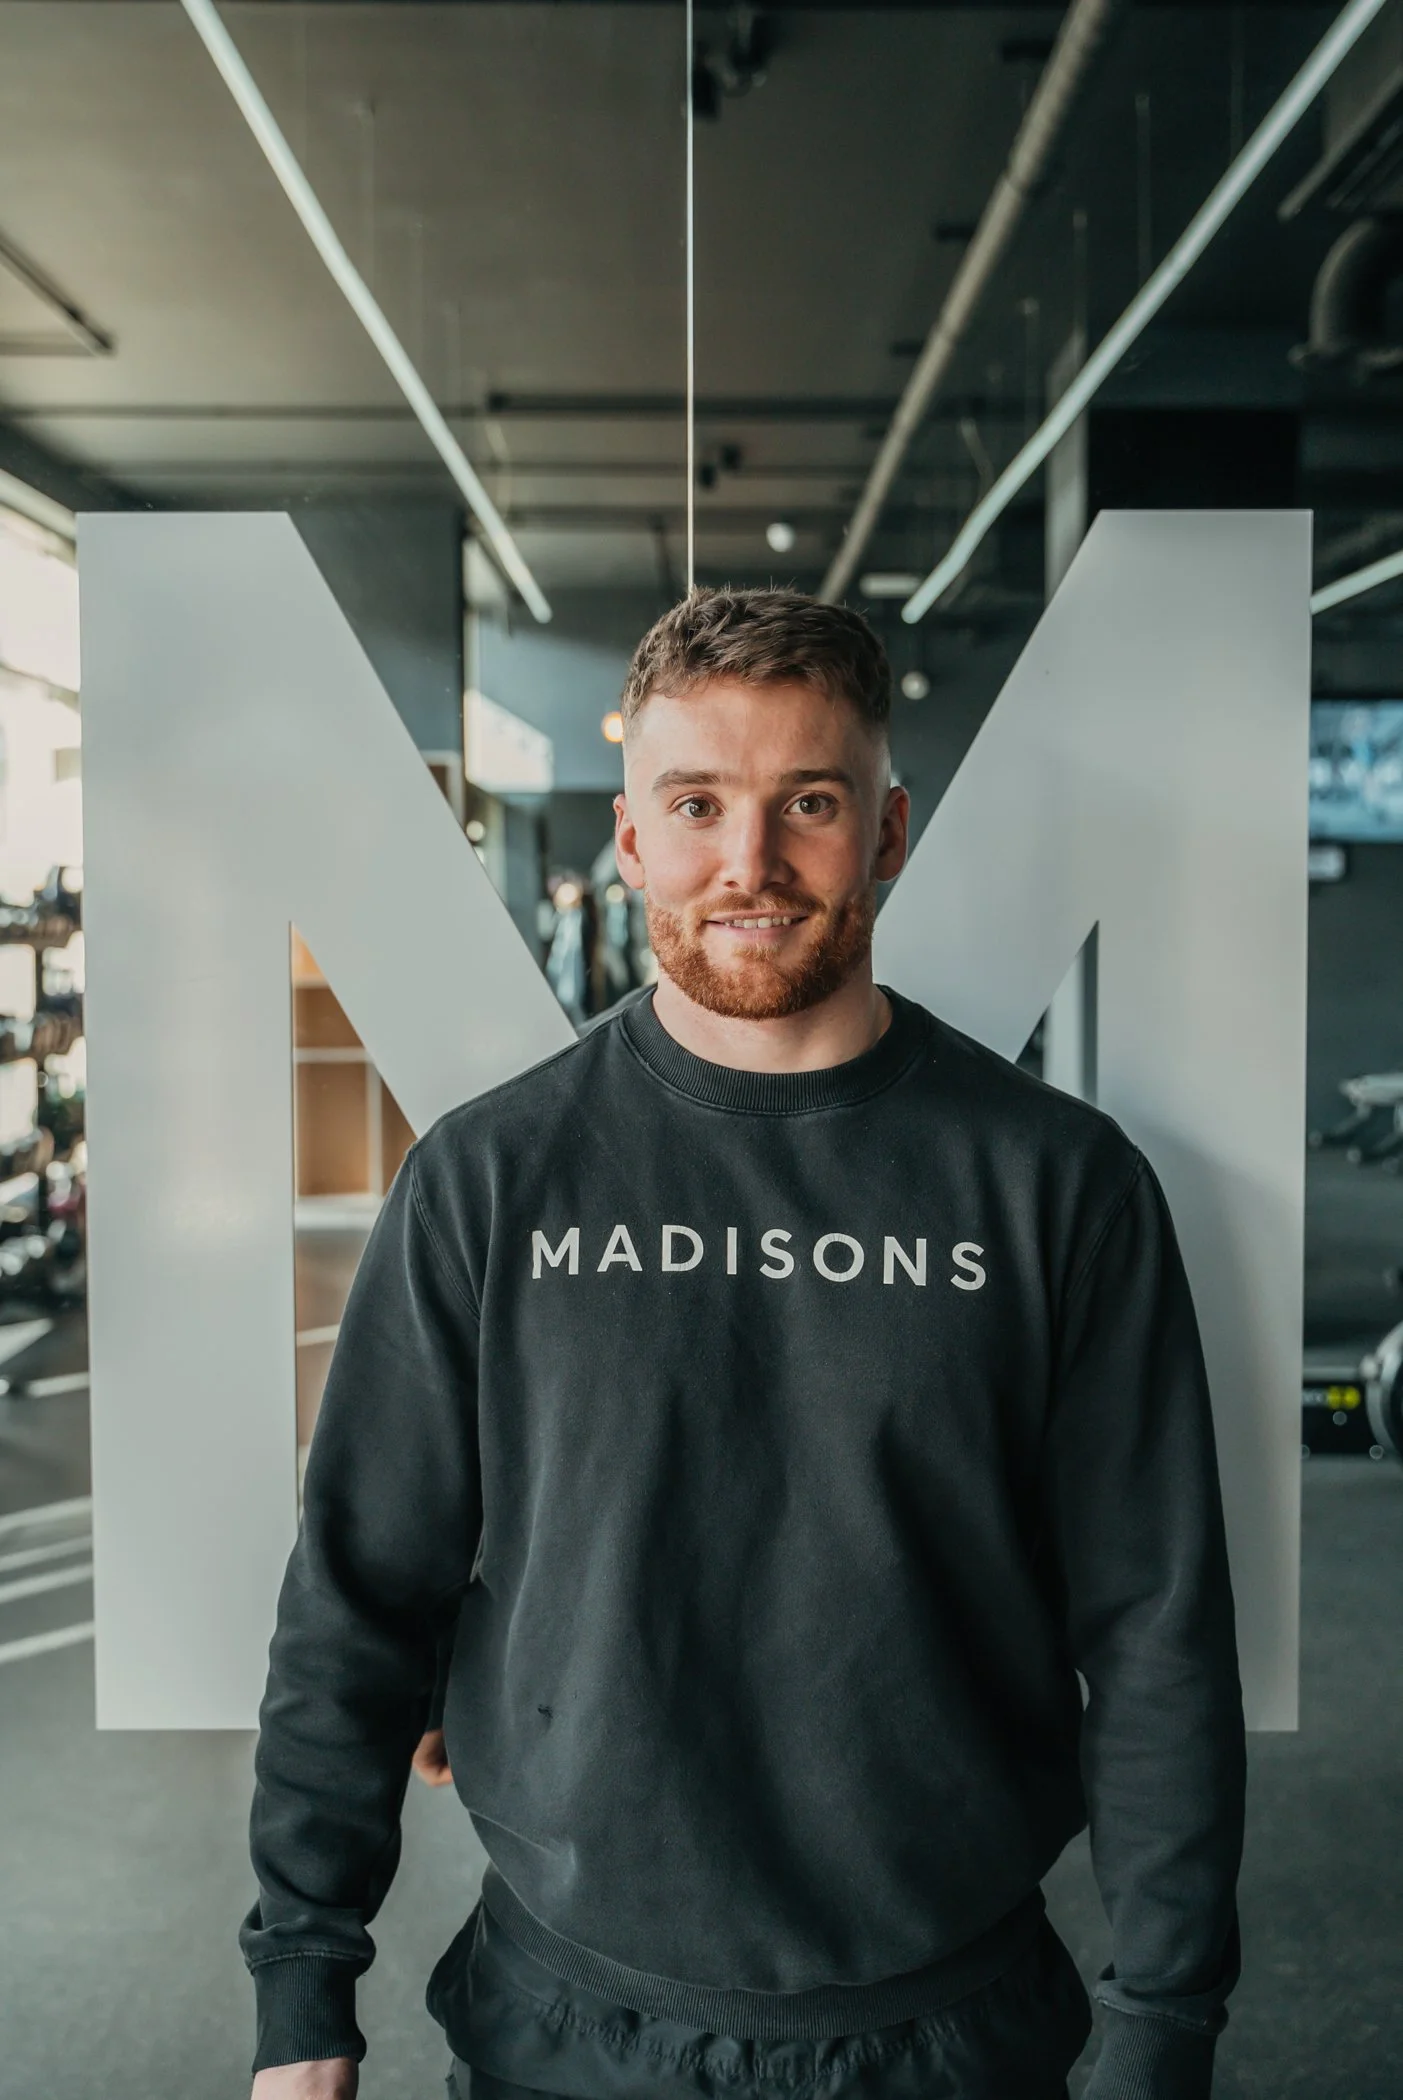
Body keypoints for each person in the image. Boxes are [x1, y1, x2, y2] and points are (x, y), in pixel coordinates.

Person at [240, 587, 1246, 2100]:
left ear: (888, 832)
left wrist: (1163, 2026)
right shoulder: (489, 1178)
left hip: (946, 2031)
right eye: (696, 803)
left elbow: (1156, 1632)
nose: (748, 862)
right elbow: (357, 1591)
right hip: (562, 2025)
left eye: (809, 804)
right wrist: (303, 1989)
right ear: (632, 840)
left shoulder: (1055, 1184)